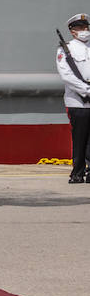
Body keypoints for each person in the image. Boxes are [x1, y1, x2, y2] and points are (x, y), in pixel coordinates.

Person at [57, 13, 90, 184]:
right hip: (77, 101)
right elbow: (66, 75)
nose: (84, 30)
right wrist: (86, 90)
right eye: (79, 28)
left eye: (85, 27)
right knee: (80, 138)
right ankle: (77, 173)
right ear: (72, 31)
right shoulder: (66, 49)